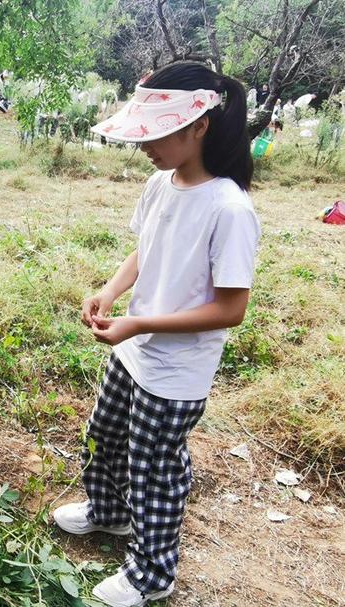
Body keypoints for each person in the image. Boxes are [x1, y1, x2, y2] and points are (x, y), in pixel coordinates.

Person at [57, 61, 260, 607]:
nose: (147, 146)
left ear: (199, 127)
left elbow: (231, 308)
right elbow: (145, 250)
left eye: (160, 134)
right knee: (105, 434)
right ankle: (109, 513)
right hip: (132, 351)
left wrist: (141, 321)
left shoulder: (229, 207)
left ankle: (153, 573)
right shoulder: (159, 183)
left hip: (176, 369)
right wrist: (110, 291)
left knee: (153, 467)